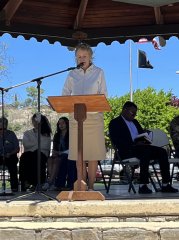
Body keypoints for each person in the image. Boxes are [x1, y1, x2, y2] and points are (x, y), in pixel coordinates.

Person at [62, 43, 108, 191]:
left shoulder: (99, 72)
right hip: (76, 120)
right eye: (79, 57)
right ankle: (81, 186)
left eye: (84, 56)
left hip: (94, 120)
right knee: (78, 155)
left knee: (93, 154)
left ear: (90, 57)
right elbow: (64, 96)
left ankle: (92, 186)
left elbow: (104, 95)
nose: (81, 59)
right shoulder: (71, 74)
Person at [109, 101, 178, 194]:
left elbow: (141, 134)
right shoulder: (115, 123)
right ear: (124, 110)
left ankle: (166, 184)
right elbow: (117, 141)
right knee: (145, 152)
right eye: (132, 113)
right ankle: (143, 185)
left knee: (162, 151)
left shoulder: (135, 122)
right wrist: (134, 143)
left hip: (140, 147)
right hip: (126, 150)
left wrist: (145, 136)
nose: (134, 115)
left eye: (135, 113)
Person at [42, 117, 77, 191]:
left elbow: (73, 148)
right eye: (59, 123)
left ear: (67, 123)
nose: (61, 125)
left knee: (63, 158)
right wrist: (55, 152)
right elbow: (54, 148)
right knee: (50, 159)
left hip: (69, 154)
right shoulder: (57, 135)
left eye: (63, 123)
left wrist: (60, 152)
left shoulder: (71, 134)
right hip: (59, 154)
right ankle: (53, 182)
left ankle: (52, 182)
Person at [19, 113, 52, 191]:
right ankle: (25, 181)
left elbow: (45, 146)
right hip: (28, 153)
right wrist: (37, 143)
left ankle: (36, 183)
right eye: (33, 121)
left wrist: (34, 144)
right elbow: (26, 144)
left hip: (42, 154)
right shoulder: (27, 133)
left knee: (37, 157)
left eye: (36, 120)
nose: (35, 122)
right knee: (24, 157)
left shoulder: (46, 134)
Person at [0, 117, 19, 192]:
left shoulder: (11, 134)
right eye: (0, 129)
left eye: (3, 129)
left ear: (6, 126)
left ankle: (14, 187)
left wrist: (10, 153)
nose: (1, 131)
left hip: (10, 155)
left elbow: (17, 148)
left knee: (12, 164)